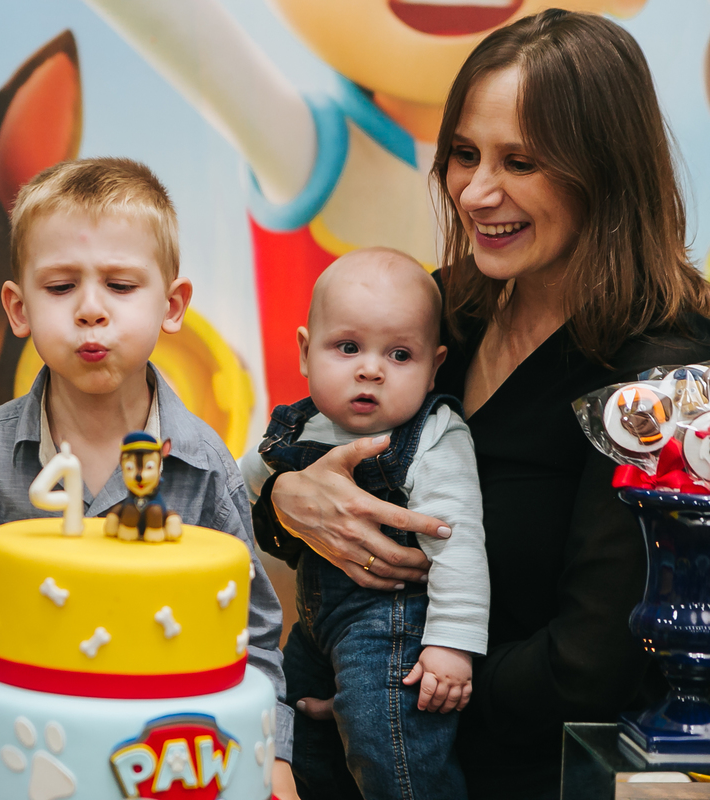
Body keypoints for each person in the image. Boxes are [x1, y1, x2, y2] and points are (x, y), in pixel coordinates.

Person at [266, 10, 710, 800]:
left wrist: (394, 697)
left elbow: (590, 664)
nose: (475, 192)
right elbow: (308, 457)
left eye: (521, 162)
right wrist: (285, 499)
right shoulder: (444, 309)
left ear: (604, 171)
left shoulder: (665, 378)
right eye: (465, 154)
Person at [0, 157, 300, 800]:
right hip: (17, 774)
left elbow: (251, 637)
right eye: (61, 287)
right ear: (18, 308)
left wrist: (273, 755)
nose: (91, 310)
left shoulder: (204, 463)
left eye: (121, 285)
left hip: (163, 771)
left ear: (172, 305)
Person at [243, 247, 488, 799]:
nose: (370, 369)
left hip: (393, 628)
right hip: (314, 626)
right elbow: (241, 489)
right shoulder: (297, 428)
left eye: (400, 355)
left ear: (434, 367)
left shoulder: (433, 436)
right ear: (305, 352)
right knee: (287, 728)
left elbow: (458, 543)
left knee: (389, 746)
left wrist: (453, 645)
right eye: (348, 347)